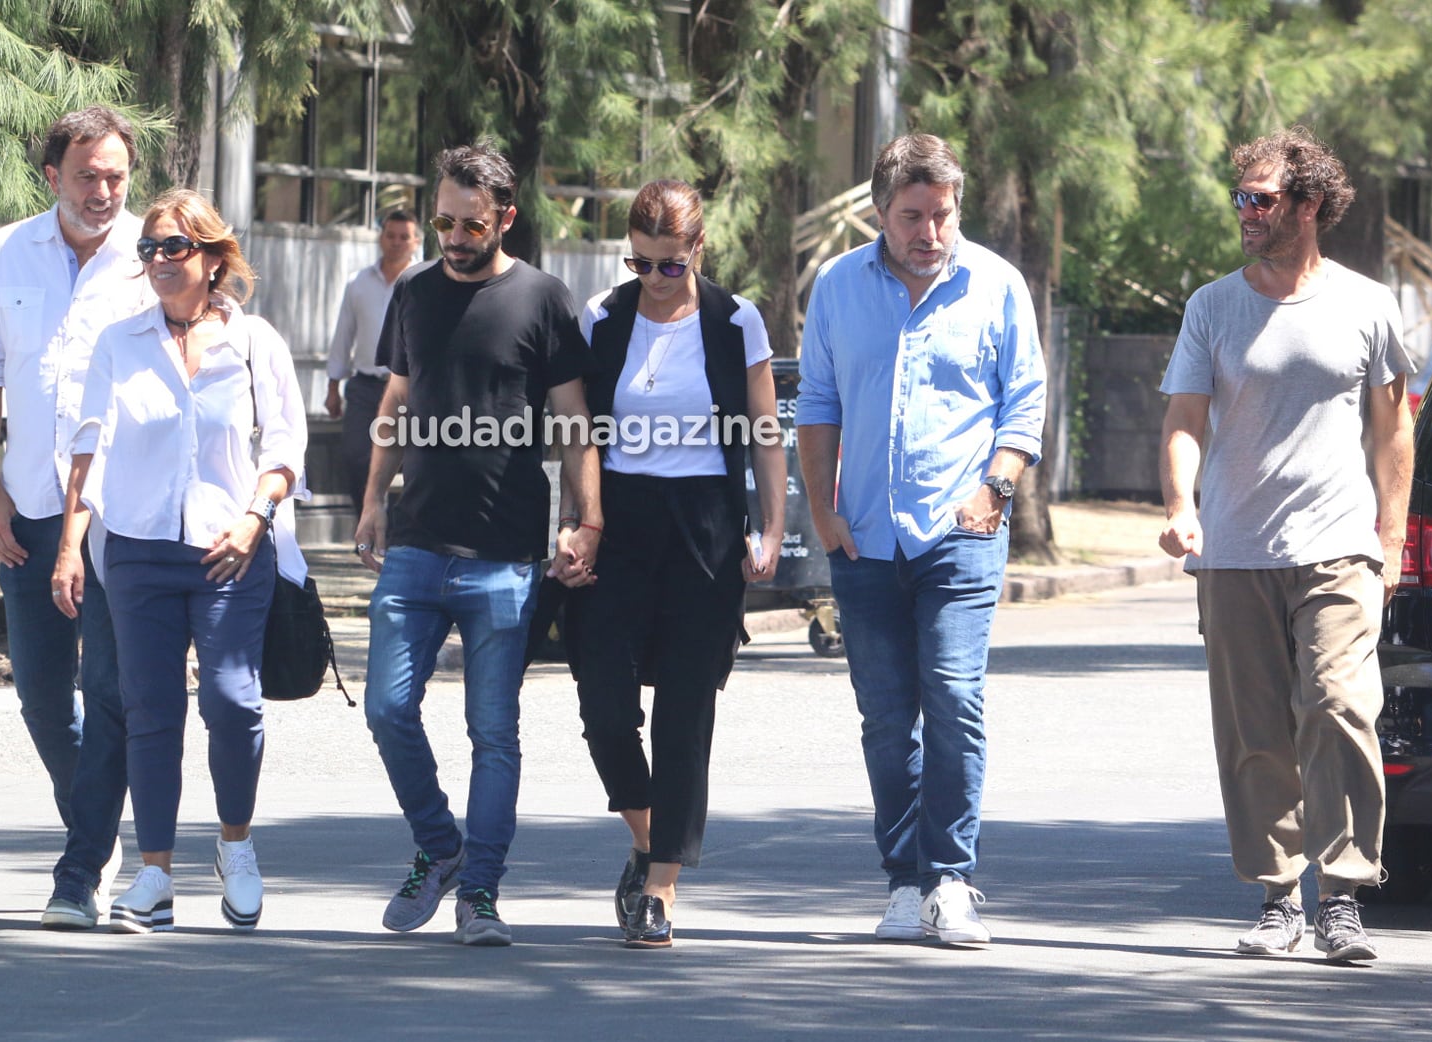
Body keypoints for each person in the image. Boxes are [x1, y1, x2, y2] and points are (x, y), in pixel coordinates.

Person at [1158, 127, 1413, 964]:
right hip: (1234, 550)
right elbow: (1185, 419)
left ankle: (1341, 896)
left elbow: (1392, 435)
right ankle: (1278, 897)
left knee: (1340, 709)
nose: (1245, 213)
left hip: (1339, 545)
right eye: (1240, 197)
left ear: (1309, 206)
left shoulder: (1368, 304)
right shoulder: (1212, 307)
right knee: (1254, 728)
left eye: (1261, 199)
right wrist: (1180, 504)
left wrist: (1392, 540)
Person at [795, 133, 1046, 945]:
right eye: (912, 216)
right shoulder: (837, 286)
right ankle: (902, 881)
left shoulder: (997, 285)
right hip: (864, 535)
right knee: (885, 715)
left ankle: (952, 878)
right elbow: (818, 404)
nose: (929, 232)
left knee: (955, 698)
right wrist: (824, 515)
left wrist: (995, 487)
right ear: (879, 211)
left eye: (942, 215)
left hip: (962, 530)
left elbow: (1026, 403)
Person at [357, 142, 600, 947]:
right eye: (443, 221)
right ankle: (439, 845)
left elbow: (574, 426)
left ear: (504, 216)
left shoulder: (543, 299)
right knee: (389, 707)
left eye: (470, 224)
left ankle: (481, 893)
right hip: (417, 543)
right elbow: (395, 401)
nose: (454, 237)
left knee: (493, 732)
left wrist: (584, 520)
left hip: (503, 555)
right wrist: (370, 503)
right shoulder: (414, 292)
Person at [53, 188, 310, 934]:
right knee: (151, 712)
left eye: (173, 248)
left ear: (211, 257)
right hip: (134, 550)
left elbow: (284, 447)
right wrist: (71, 547)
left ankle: (236, 845)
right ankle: (155, 875)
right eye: (149, 250)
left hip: (232, 548)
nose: (159, 261)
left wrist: (255, 519)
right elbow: (88, 449)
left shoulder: (255, 341)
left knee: (232, 699)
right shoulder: (119, 342)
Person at [562, 179, 785, 949]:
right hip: (620, 522)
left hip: (705, 527)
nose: (654, 279)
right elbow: (580, 432)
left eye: (668, 265)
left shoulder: (733, 321)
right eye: (642, 263)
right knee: (602, 704)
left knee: (685, 713)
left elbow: (764, 433)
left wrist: (772, 529)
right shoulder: (602, 317)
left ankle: (660, 889)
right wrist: (580, 521)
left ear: (698, 249)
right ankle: (650, 833)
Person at [0, 105, 151, 929]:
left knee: (107, 688)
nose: (103, 191)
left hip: (121, 514)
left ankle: (78, 870)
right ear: (51, 177)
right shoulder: (7, 251)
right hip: (29, 508)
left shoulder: (155, 254)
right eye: (86, 176)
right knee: (41, 694)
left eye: (115, 176)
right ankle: (97, 830)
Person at [324, 210, 422, 518]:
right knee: (357, 457)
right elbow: (344, 335)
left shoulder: (426, 282)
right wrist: (332, 386)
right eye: (390, 235)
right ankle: (366, 523)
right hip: (366, 386)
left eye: (404, 237)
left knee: (411, 461)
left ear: (416, 241)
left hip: (411, 386)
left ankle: (398, 533)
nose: (396, 243)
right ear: (381, 238)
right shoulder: (359, 283)